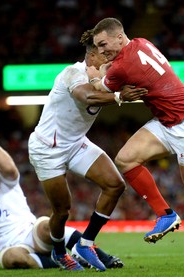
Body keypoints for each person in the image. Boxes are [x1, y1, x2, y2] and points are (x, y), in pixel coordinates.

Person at [86, 17, 184, 272]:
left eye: (103, 44)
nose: (101, 51)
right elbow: (118, 69)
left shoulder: (122, 66)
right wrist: (107, 70)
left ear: (119, 37)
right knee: (125, 159)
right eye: (97, 47)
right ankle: (165, 214)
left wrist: (96, 74)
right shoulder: (141, 43)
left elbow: (97, 89)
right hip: (166, 121)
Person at [27, 30, 147, 271]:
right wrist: (118, 97)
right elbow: (86, 96)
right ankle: (60, 252)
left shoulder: (105, 78)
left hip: (75, 143)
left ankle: (85, 243)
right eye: (106, 59)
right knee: (62, 210)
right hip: (47, 148)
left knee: (115, 185)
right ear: (92, 57)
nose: (111, 64)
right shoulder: (73, 73)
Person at [0, 121, 123, 270]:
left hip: (31, 232)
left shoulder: (2, 180)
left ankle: (103, 258)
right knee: (12, 258)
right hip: (9, 247)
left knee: (47, 225)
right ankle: (63, 262)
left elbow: (9, 167)